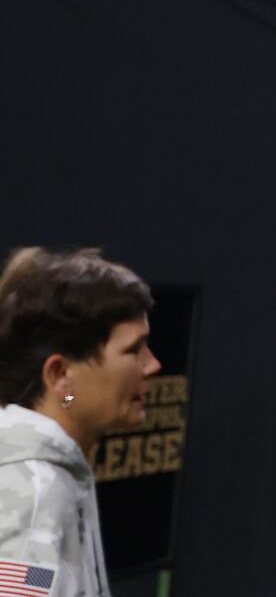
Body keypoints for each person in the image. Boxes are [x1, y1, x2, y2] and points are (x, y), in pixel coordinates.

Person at [0, 248, 160, 596]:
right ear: (61, 376)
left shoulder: (52, 475)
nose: (152, 365)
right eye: (134, 350)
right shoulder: (36, 491)